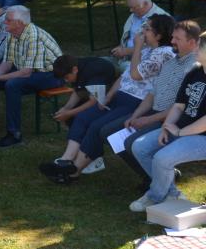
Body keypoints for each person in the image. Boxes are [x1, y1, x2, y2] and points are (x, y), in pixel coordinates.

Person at [43, 14, 175, 182]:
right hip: (121, 96)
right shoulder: (148, 49)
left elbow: (135, 74)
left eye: (147, 29)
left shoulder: (163, 53)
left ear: (159, 35)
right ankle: (66, 161)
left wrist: (137, 47)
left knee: (98, 127)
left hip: (136, 101)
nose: (142, 32)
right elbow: (125, 76)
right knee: (84, 117)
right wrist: (109, 95)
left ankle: (73, 171)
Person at [126, 31, 206, 212]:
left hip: (202, 136)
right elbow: (178, 105)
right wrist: (166, 127)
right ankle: (170, 193)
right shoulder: (195, 70)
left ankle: (154, 196)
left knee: (162, 158)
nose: (196, 48)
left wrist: (179, 132)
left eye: (200, 45)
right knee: (140, 147)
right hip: (182, 129)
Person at [0, 5, 63, 148]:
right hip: (31, 70)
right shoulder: (12, 33)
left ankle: (14, 133)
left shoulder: (34, 37)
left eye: (8, 20)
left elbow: (26, 72)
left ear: (20, 23)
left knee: (13, 85)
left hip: (51, 74)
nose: (4, 23)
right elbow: (7, 62)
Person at [49, 54, 118, 127]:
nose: (66, 81)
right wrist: (66, 108)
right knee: (72, 116)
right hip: (92, 89)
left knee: (80, 117)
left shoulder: (92, 71)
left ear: (74, 70)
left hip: (110, 91)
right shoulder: (74, 67)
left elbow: (94, 101)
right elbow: (78, 91)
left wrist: (69, 113)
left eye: (66, 77)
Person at [111, 0, 169, 71]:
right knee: (97, 62)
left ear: (145, 4)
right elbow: (129, 37)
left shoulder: (161, 19)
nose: (130, 10)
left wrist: (127, 51)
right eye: (130, 7)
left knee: (114, 68)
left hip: (144, 61)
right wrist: (122, 47)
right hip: (124, 58)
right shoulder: (135, 15)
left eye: (134, 7)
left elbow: (159, 48)